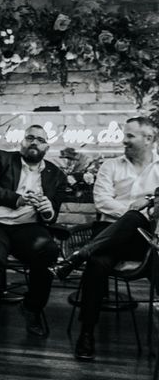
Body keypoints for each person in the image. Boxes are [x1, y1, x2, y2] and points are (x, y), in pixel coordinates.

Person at [53, 116, 159, 361]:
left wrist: (138, 213)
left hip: (142, 240)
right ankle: (87, 333)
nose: (124, 140)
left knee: (133, 220)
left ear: (149, 138)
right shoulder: (110, 166)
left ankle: (76, 258)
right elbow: (101, 201)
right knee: (98, 265)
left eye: (130, 135)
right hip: (107, 234)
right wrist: (135, 210)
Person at [0, 125, 67, 336]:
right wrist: (18, 199)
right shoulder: (1, 158)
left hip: (28, 228)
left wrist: (48, 210)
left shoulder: (56, 175)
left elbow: (53, 216)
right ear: (22, 141)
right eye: (30, 138)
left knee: (49, 251)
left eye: (40, 140)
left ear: (47, 147)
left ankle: (32, 308)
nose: (34, 142)